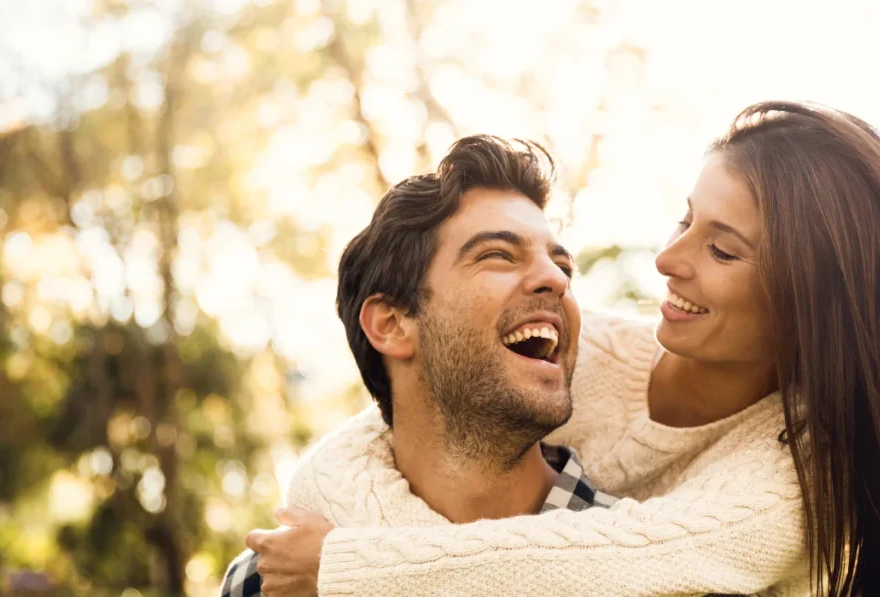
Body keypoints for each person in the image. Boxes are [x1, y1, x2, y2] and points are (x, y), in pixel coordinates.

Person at [247, 102, 880, 596]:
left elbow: (614, 561)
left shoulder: (795, 479)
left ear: (807, 309)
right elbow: (374, 437)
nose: (667, 258)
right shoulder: (579, 349)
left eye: (722, 248)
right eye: (687, 219)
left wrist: (352, 570)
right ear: (390, 323)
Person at [222, 135, 620, 597]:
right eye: (498, 255)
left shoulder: (667, 572)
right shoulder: (268, 583)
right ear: (391, 325)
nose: (556, 279)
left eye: (562, 266)